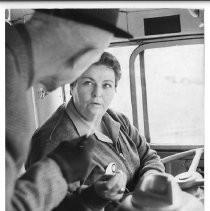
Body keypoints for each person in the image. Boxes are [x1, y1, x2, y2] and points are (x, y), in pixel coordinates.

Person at [6, 9, 133, 211]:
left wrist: (92, 197)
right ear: (81, 57)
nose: (97, 93)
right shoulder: (9, 92)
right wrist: (58, 170)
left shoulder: (11, 67)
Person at [26, 52, 165, 210]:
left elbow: (148, 155)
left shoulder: (117, 119)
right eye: (88, 83)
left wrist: (150, 180)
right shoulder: (52, 142)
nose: (97, 93)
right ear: (72, 86)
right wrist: (95, 196)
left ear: (114, 89)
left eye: (106, 85)